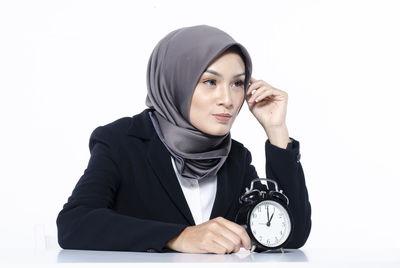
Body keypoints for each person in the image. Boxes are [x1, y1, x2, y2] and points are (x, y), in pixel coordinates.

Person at [56, 24, 312, 254]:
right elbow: (74, 223)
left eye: (237, 84)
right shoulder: (123, 141)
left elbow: (290, 236)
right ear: (176, 82)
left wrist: (276, 130)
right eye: (210, 81)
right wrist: (180, 237)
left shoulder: (235, 157)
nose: (228, 99)